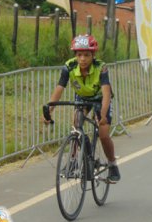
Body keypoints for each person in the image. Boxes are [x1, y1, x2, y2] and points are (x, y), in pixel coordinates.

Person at [43, 34, 120, 183]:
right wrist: (50, 109)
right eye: (79, 55)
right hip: (83, 98)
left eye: (87, 55)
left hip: (100, 99)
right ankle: (73, 161)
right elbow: (60, 88)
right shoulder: (69, 66)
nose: (83, 59)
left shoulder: (101, 67)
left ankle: (112, 164)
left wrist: (103, 115)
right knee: (76, 127)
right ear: (75, 55)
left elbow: (106, 94)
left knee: (103, 134)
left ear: (93, 55)